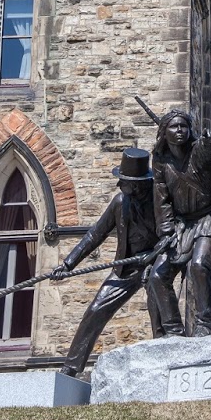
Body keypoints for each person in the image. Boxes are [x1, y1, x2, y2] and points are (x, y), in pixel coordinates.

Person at [54, 148, 168, 375]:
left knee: (156, 293)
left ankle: (162, 346)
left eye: (124, 182)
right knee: (96, 309)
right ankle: (71, 367)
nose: (121, 186)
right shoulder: (119, 202)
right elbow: (94, 235)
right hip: (125, 268)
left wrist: (153, 255)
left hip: (152, 262)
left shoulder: (160, 201)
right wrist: (68, 264)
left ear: (138, 185)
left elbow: (170, 235)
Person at [148, 109, 211, 337]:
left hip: (210, 217)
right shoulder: (160, 160)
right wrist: (167, 232)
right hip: (182, 224)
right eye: (173, 127)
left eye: (183, 126)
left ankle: (205, 323)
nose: (179, 131)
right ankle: (174, 331)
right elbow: (162, 198)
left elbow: (206, 154)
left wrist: (210, 141)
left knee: (199, 265)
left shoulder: (199, 151)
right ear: (164, 133)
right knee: (158, 275)